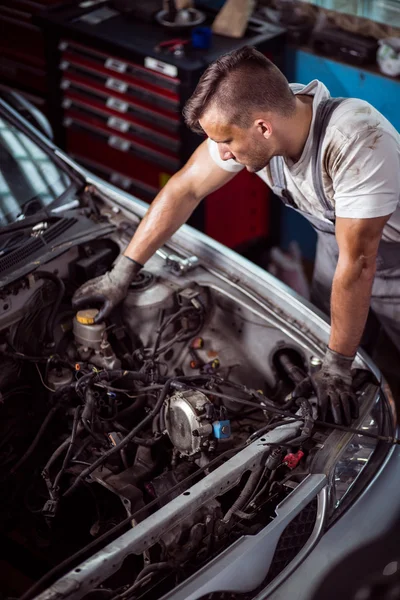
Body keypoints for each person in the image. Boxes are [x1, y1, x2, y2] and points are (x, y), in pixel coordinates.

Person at [73, 46, 400, 426]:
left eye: (227, 142)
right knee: (327, 351)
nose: (223, 153)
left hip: (386, 258)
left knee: (359, 360)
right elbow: (186, 189)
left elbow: (360, 262)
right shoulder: (253, 121)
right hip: (339, 248)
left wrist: (338, 364)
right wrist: (123, 271)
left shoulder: (356, 140)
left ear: (263, 127)